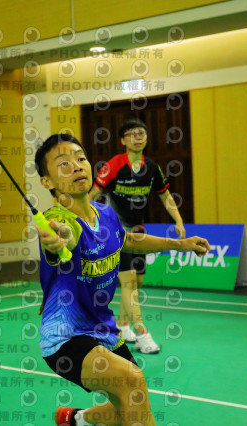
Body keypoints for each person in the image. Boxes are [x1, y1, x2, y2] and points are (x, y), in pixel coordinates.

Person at [34, 133, 209, 426]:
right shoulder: (58, 220)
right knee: (132, 380)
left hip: (104, 329)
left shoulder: (105, 214)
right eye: (63, 163)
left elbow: (126, 240)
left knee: (127, 406)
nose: (76, 166)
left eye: (80, 158)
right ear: (47, 181)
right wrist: (59, 240)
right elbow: (64, 236)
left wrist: (179, 244)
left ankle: (74, 418)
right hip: (66, 337)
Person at [89, 118, 185, 354]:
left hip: (138, 230)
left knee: (137, 282)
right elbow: (92, 194)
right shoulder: (114, 165)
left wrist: (178, 219)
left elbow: (165, 195)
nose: (137, 137)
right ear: (123, 140)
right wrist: (86, 221)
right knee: (129, 281)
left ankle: (122, 325)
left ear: (146, 138)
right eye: (131, 134)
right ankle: (142, 334)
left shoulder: (151, 168)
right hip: (115, 231)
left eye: (141, 133)